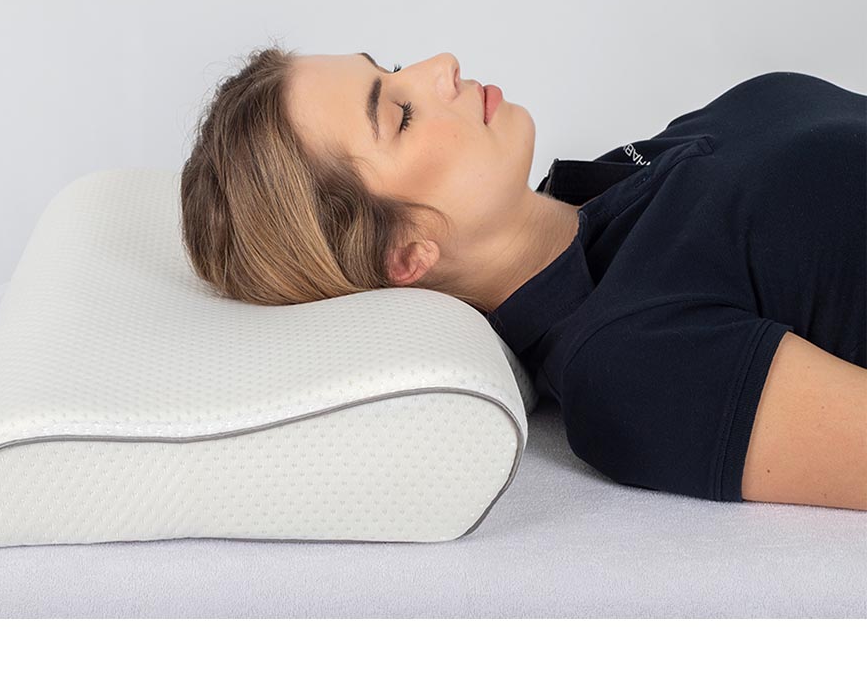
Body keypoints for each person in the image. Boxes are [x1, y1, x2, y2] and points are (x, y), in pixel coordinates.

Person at [180, 46, 867, 511]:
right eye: (400, 114)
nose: (441, 64)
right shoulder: (628, 363)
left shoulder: (615, 180)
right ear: (405, 255)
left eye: (391, 65)